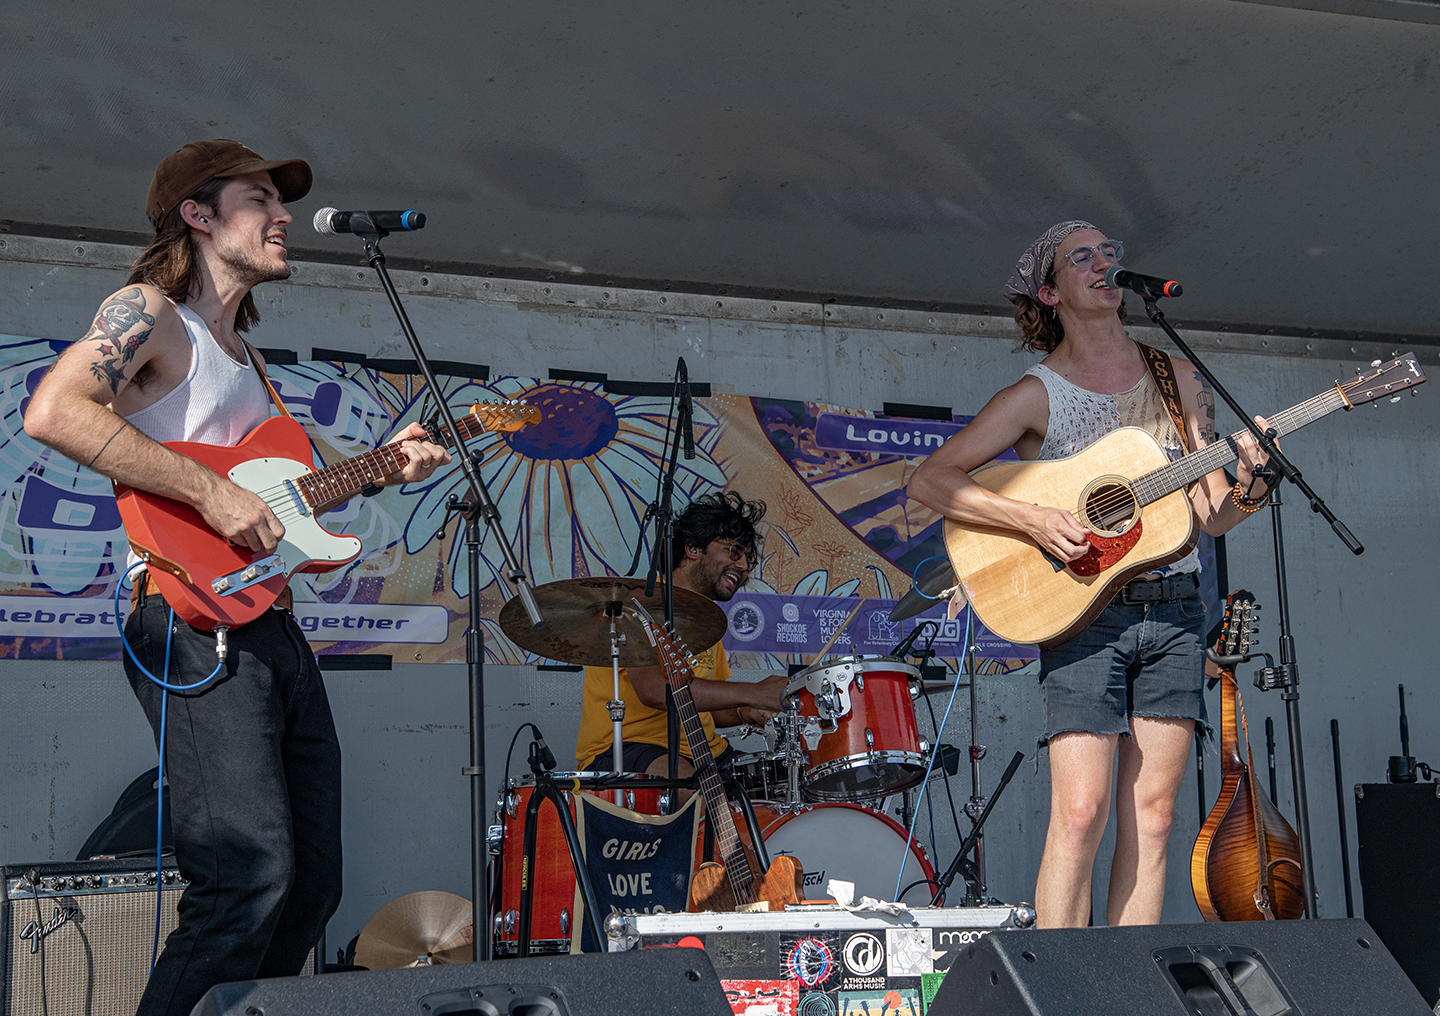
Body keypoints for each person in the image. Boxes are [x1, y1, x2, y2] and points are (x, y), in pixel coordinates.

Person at [23, 139, 451, 1016]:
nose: (283, 216)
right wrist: (208, 492)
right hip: (191, 619)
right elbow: (55, 410)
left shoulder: (250, 362)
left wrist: (384, 467)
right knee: (243, 878)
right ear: (198, 215)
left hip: (272, 628)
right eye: (260, 199)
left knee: (310, 884)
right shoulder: (149, 313)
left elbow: (285, 501)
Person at [906, 221, 1275, 928]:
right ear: (1050, 292)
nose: (1105, 263)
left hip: (1175, 609)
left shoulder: (1176, 377)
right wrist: (1032, 520)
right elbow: (931, 480)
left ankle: (1126, 979)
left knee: (1156, 816)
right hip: (1084, 615)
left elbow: (1213, 514)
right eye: (1084, 257)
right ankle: (1061, 978)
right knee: (1081, 813)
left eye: (1111, 253)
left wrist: (1254, 483)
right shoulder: (1035, 394)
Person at [575, 492, 789, 785]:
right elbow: (654, 689)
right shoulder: (639, 603)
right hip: (629, 748)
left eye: (749, 561)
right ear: (693, 548)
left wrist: (747, 710)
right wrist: (754, 691)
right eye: (735, 551)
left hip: (706, 753)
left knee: (785, 789)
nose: (743, 567)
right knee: (694, 795)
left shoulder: (707, 619)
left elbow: (712, 708)